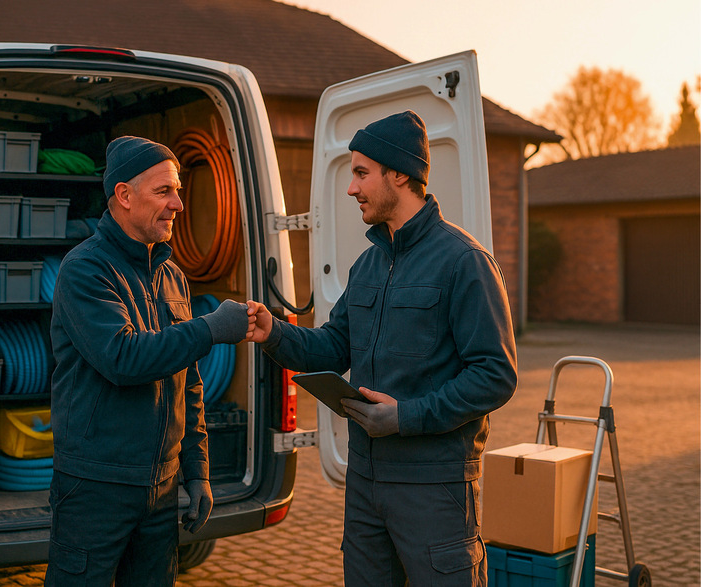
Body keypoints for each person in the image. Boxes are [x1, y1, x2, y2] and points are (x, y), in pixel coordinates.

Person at [247, 111, 517, 586]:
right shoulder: (369, 264)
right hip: (367, 483)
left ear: (398, 174)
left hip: (434, 488)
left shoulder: (464, 262)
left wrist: (406, 417)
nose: (351, 188)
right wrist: (275, 333)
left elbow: (495, 374)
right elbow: (332, 347)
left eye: (360, 173)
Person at [46, 136, 252, 586]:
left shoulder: (173, 276)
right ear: (123, 195)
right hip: (95, 488)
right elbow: (122, 358)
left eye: (177, 191)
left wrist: (197, 471)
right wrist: (211, 328)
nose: (178, 204)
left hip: (160, 489)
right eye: (164, 192)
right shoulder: (85, 271)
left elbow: (189, 381)